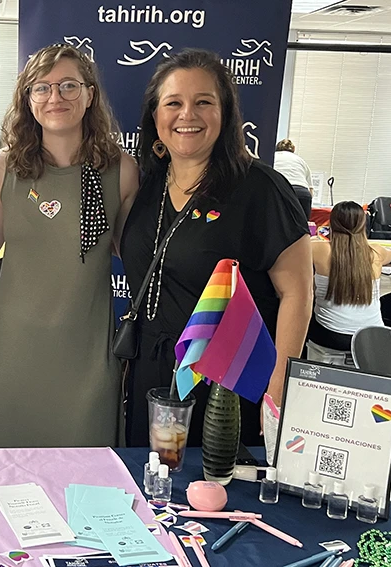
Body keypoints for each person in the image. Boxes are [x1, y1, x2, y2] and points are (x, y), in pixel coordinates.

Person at [120, 49, 312, 447]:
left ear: (224, 115)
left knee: (214, 499)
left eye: (203, 102)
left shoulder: (259, 188)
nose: (187, 114)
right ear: (155, 117)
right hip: (152, 377)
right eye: (173, 103)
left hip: (227, 382)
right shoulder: (147, 186)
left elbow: (297, 291)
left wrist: (279, 382)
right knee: (150, 490)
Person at [0, 43, 139, 448]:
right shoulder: (5, 166)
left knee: (86, 483)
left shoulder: (121, 170)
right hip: (10, 355)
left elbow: (135, 259)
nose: (55, 98)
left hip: (86, 360)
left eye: (68, 86)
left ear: (89, 95)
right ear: (28, 100)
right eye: (41, 88)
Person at [309, 201, 391, 358]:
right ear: (363, 225)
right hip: (370, 337)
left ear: (331, 223)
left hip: (330, 335)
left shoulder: (318, 249)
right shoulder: (376, 252)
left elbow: (304, 244)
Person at [274, 138, 314, 219]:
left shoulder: (272, 157)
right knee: (303, 227)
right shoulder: (301, 161)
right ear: (293, 149)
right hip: (302, 193)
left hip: (281, 191)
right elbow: (311, 190)